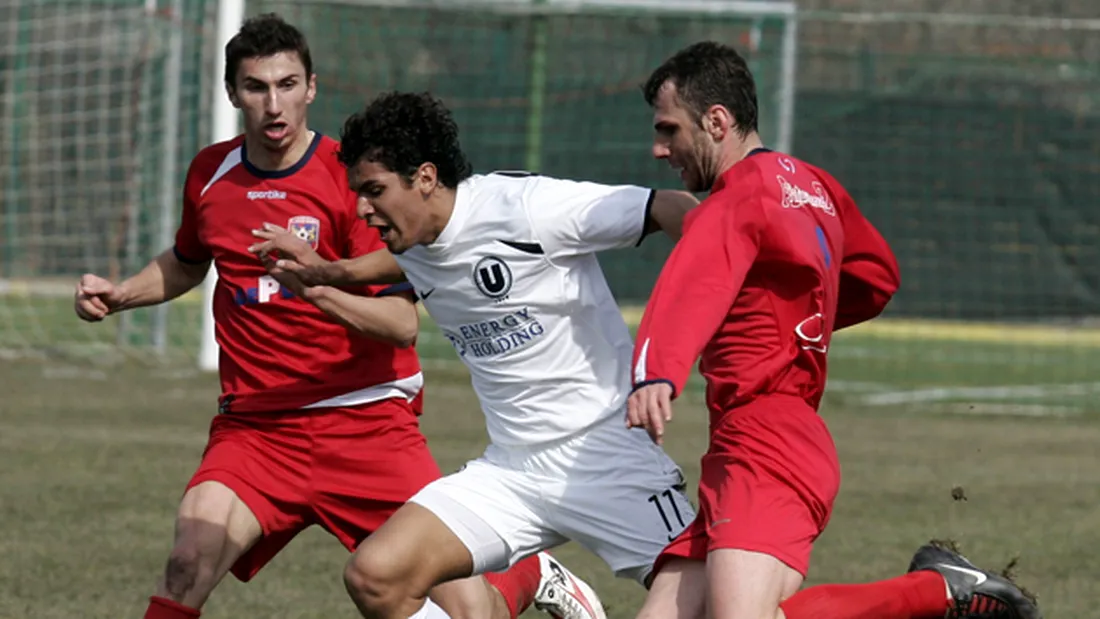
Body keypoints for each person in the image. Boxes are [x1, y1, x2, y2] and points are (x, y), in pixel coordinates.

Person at [73, 14, 598, 619]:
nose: (275, 103)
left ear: (312, 87)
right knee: (186, 564)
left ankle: (524, 577)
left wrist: (315, 285)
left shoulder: (356, 181)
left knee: (465, 609)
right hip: (257, 432)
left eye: (288, 84)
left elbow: (401, 325)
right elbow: (189, 262)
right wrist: (121, 294)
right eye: (256, 87)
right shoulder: (210, 174)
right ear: (232, 94)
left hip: (366, 422)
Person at [247, 90, 702, 619]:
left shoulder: (528, 208)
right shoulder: (416, 237)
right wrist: (325, 272)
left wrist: (715, 289)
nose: (362, 210)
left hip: (605, 457)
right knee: (377, 576)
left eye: (373, 191)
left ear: (424, 176)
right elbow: (409, 264)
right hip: (512, 472)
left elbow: (671, 208)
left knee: (722, 600)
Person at [626, 41, 1041, 619]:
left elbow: (692, 280)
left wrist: (655, 373)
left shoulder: (740, 193)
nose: (659, 148)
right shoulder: (813, 184)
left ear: (716, 121)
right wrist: (796, 321)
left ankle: (940, 590)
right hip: (757, 439)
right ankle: (945, 587)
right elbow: (876, 275)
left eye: (669, 130)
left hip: (767, 441)